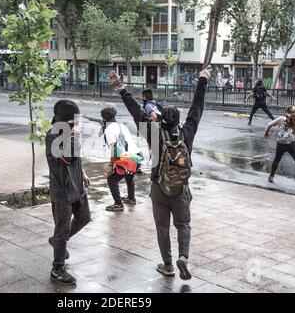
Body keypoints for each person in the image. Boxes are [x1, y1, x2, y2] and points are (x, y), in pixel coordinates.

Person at [108, 66, 211, 280]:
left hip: (159, 188)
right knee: (183, 225)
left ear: (162, 118)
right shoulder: (186, 132)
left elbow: (136, 110)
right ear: (178, 120)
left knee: (162, 227)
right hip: (181, 189)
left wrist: (121, 89)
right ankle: (183, 257)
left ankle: (167, 265)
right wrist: (202, 80)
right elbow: (197, 108)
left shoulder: (153, 132)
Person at [45, 99, 91, 286]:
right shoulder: (53, 136)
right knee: (62, 228)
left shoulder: (69, 132)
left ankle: (57, 241)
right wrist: (72, 136)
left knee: (84, 217)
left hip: (77, 186)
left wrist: (83, 173)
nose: (77, 122)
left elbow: (76, 160)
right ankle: (58, 268)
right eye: (75, 119)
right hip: (62, 190)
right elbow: (66, 158)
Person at [101, 106, 142, 211]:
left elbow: (115, 150)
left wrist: (111, 165)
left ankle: (118, 204)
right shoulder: (121, 125)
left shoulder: (109, 129)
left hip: (128, 158)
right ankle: (131, 198)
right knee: (129, 176)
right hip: (137, 156)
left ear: (103, 119)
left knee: (111, 180)